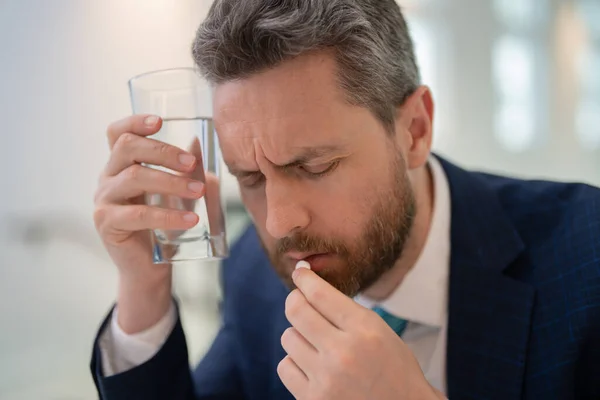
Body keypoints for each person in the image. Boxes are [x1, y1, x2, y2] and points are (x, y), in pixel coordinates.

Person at [90, 0, 600, 399]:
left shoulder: (586, 262)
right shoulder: (253, 272)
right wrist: (144, 286)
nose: (280, 223)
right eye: (251, 178)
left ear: (415, 130)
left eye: (314, 166)